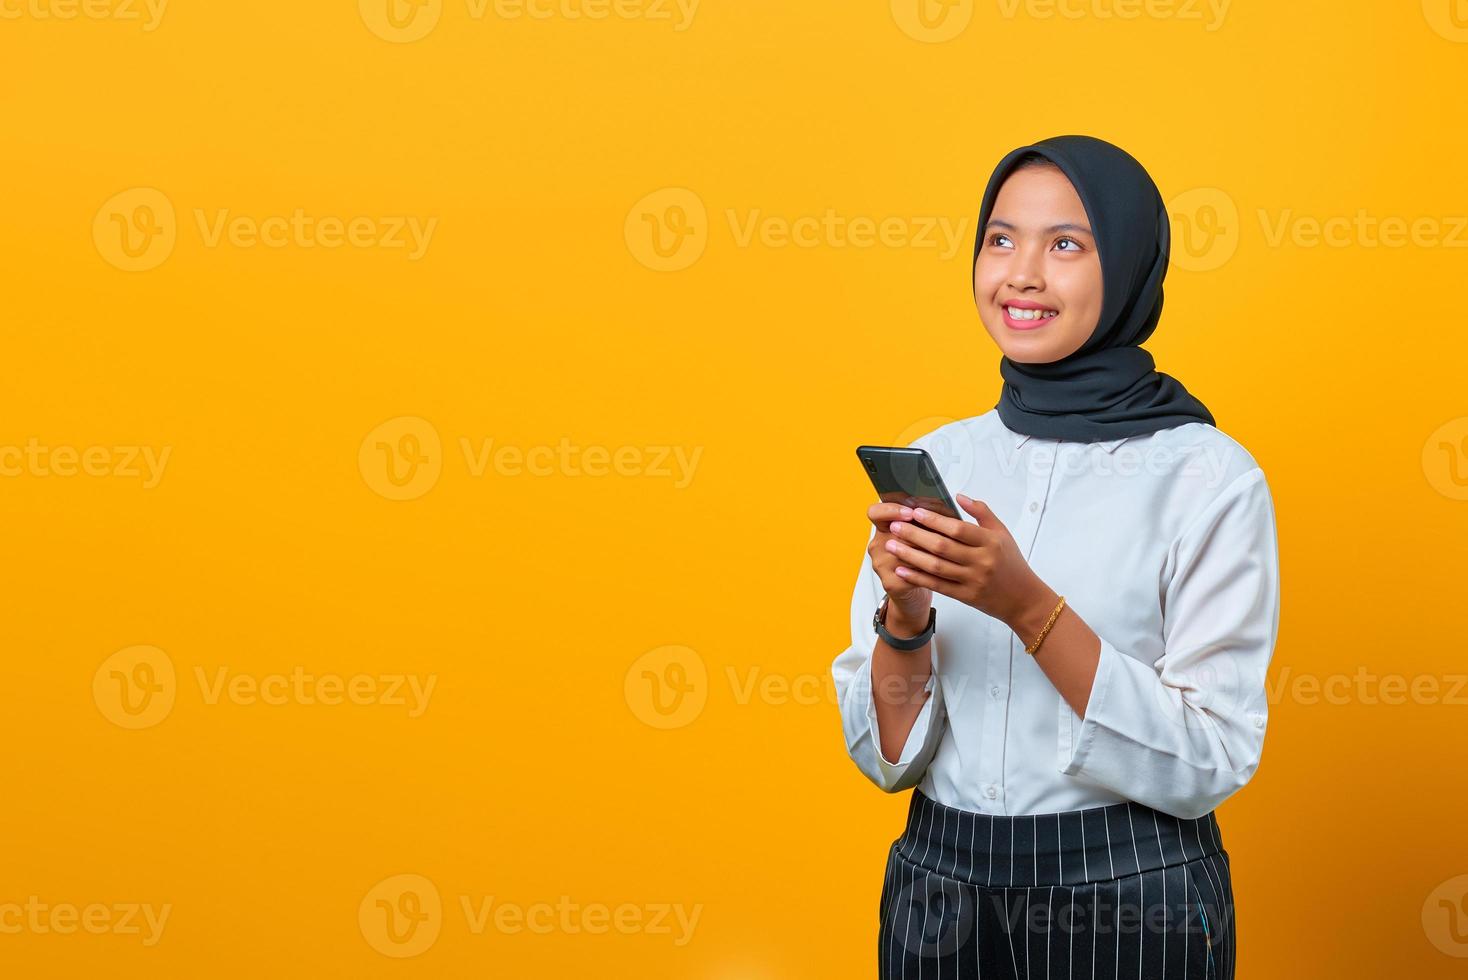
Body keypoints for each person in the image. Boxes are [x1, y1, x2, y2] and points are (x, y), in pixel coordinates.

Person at [831, 134, 1280, 980]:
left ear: (1131, 265)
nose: (1022, 274)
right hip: (939, 891)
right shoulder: (943, 457)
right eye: (1000, 238)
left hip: (1129, 892)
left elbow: (1212, 758)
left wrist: (1026, 607)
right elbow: (887, 760)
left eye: (1066, 244)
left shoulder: (1207, 474)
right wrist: (906, 616)